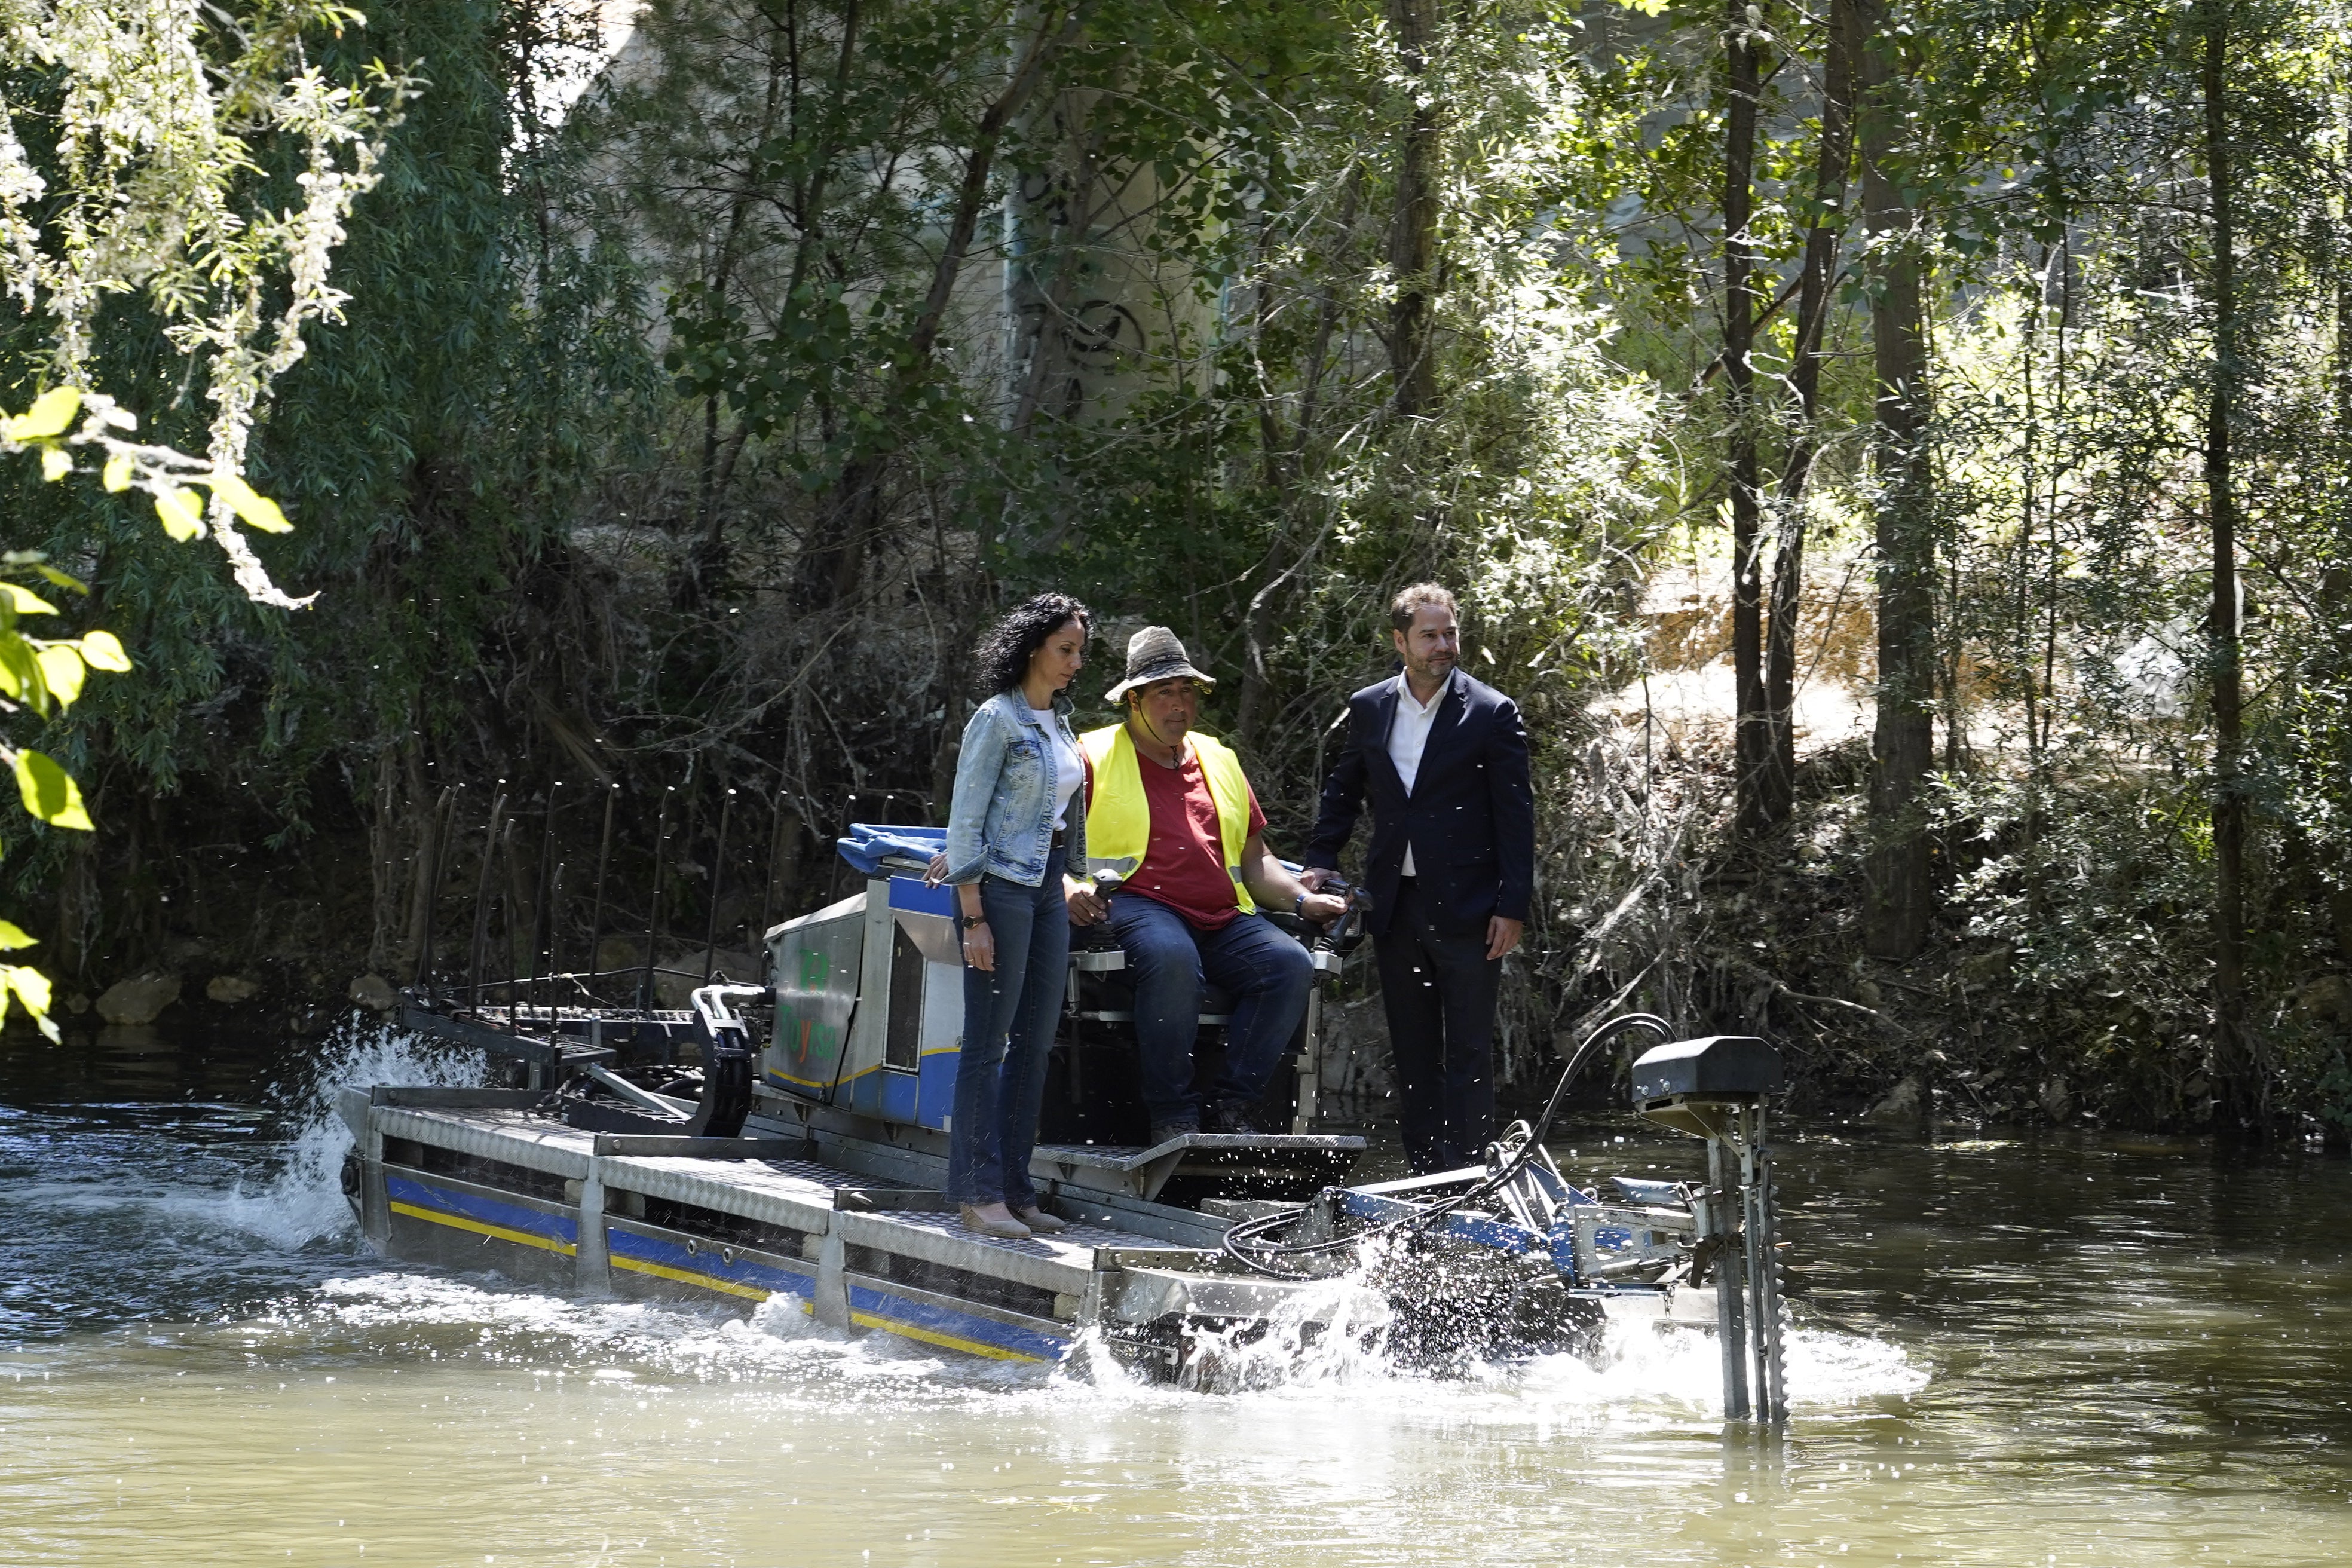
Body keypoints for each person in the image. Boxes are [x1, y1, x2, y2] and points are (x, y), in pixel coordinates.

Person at [1074, 627, 1348, 1146]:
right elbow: (1050, 845)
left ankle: (1231, 1110)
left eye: (1186, 692)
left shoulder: (1218, 758)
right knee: (1174, 957)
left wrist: (1305, 901)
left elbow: (1255, 860)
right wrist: (1071, 889)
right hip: (1135, 904)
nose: (1179, 705)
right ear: (1133, 700)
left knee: (1289, 965)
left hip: (1221, 916)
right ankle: (1172, 1116)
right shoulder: (1090, 755)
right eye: (1164, 693)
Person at [1301, 583, 1534, 1174]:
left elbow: (1515, 814)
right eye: (1430, 635)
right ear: (1400, 640)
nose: (1443, 645)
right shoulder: (1371, 705)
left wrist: (1513, 904)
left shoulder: (1490, 711)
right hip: (1395, 904)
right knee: (1413, 1048)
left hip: (1472, 907)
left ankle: (1469, 1172)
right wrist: (1321, 856)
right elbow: (1344, 787)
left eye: (1450, 633)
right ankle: (1426, 1176)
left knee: (1470, 1049)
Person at [933, 593, 1094, 1240]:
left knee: (1035, 1041)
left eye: (1081, 651)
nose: (1075, 662)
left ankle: (1017, 1189)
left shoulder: (1061, 722)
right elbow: (966, 817)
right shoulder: (995, 720)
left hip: (1049, 885)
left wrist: (1079, 874)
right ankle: (976, 1191)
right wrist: (973, 913)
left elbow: (1058, 815)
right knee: (987, 1042)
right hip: (997, 888)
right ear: (1034, 648)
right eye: (1066, 649)